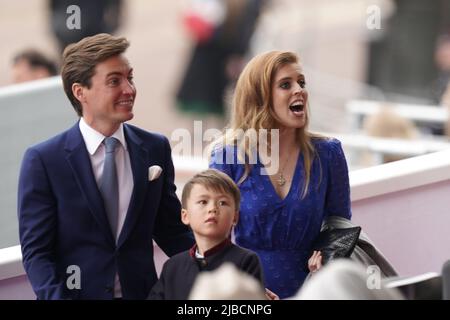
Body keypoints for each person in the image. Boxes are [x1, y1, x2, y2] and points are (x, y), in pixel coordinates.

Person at [17, 33, 194, 300]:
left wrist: (228, 277)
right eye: (114, 81)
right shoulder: (43, 160)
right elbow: (37, 253)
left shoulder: (155, 148)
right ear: (80, 92)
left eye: (130, 78)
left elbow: (173, 233)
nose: (129, 89)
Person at [209, 51, 351, 299]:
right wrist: (243, 286)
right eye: (286, 84)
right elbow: (211, 236)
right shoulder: (227, 156)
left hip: (313, 290)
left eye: (302, 83)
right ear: (260, 97)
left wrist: (327, 258)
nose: (300, 90)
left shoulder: (328, 153)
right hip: (246, 292)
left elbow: (340, 224)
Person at [148, 169, 264, 300]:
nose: (212, 208)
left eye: (222, 203)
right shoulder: (173, 266)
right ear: (185, 216)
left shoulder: (247, 260)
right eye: (203, 202)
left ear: (235, 217)